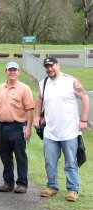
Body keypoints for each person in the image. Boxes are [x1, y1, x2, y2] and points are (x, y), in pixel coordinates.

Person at [34, 56, 89, 201]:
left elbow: (85, 98)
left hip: (69, 132)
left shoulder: (71, 81)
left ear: (58, 65)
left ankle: (73, 190)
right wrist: (37, 116)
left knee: (71, 162)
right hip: (50, 132)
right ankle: (52, 187)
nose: (49, 69)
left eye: (52, 66)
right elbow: (39, 99)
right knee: (50, 162)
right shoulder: (43, 83)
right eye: (47, 67)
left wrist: (83, 120)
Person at [0, 62, 34, 193]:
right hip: (2, 126)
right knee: (5, 156)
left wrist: (29, 128)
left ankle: (22, 184)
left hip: (18, 126)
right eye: (10, 70)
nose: (12, 72)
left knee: (20, 156)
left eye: (14, 70)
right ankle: (8, 182)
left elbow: (30, 109)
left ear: (18, 72)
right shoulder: (1, 87)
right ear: (6, 71)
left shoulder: (24, 88)